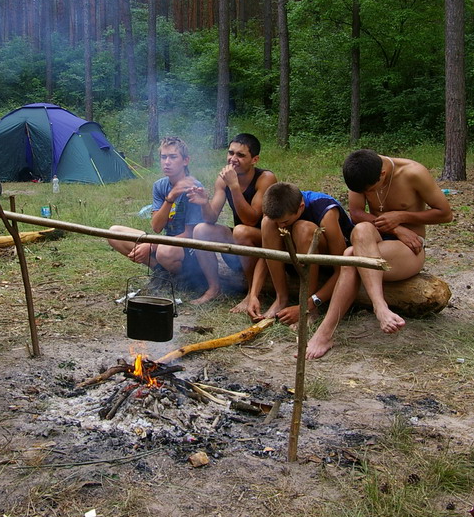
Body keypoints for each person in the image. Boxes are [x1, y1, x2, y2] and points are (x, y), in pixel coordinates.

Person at [305, 149, 453, 359]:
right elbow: (356, 213)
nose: (368, 194)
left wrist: (402, 217)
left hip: (408, 248)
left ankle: (325, 333)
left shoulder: (413, 172)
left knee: (350, 256)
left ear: (382, 174)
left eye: (370, 190)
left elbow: (445, 214)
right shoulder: (360, 172)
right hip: (374, 240)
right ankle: (379, 305)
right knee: (361, 229)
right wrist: (395, 228)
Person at [243, 182, 354, 323]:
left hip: (327, 262)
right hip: (296, 257)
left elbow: (341, 269)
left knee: (303, 229)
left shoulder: (326, 212)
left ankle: (308, 307)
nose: (280, 226)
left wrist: (308, 305)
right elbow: (266, 256)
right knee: (268, 223)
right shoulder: (279, 208)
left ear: (301, 207)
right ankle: (281, 298)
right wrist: (253, 294)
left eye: (285, 222)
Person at [189, 134, 278, 305]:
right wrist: (204, 203)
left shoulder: (265, 178)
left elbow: (251, 220)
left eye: (241, 155)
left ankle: (252, 293)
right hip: (240, 240)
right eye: (231, 153)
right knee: (201, 230)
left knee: (241, 231)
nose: (233, 159)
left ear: (254, 159)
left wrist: (234, 187)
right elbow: (211, 218)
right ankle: (214, 288)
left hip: (266, 242)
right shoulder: (223, 179)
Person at [108, 136, 206, 289]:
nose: (167, 162)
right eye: (163, 157)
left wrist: (152, 246)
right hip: (166, 242)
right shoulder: (160, 186)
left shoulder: (193, 188)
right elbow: (156, 227)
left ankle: (184, 277)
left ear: (185, 161)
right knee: (115, 232)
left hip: (190, 251)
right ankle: (162, 273)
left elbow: (190, 234)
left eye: (173, 157)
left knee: (164, 251)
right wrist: (170, 198)